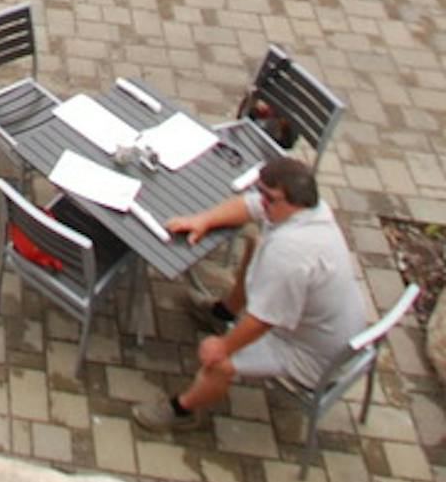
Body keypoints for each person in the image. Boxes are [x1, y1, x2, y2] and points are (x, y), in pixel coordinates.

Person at [132, 157, 372, 435]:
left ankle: (185, 410)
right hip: (337, 328)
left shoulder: (291, 253)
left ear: (293, 202)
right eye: (261, 192)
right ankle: (222, 313)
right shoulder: (311, 211)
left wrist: (222, 347)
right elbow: (248, 205)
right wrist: (203, 220)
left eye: (269, 198)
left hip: (313, 355)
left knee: (220, 363)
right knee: (256, 249)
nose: (262, 201)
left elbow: (262, 321)